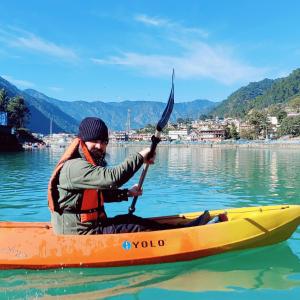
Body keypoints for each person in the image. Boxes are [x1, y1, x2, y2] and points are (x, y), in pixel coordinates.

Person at [48, 117, 217, 235]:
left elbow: (98, 194)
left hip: (91, 225)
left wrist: (127, 193)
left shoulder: (85, 164)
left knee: (131, 219)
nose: (100, 146)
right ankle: (188, 233)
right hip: (79, 233)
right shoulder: (75, 166)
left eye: (104, 141)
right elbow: (111, 178)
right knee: (133, 226)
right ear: (82, 141)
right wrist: (141, 155)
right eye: (95, 141)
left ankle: (187, 228)